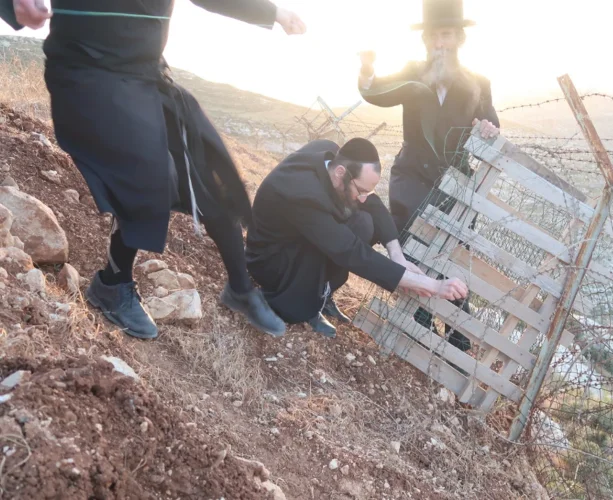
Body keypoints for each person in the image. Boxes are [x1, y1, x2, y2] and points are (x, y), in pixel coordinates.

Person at [1, 0, 306, 339]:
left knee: (207, 165)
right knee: (148, 175)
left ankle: (240, 288)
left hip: (145, 73)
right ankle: (113, 284)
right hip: (89, 72)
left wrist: (273, 13)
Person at [357, 0, 500, 352]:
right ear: (425, 40)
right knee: (413, 246)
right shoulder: (411, 72)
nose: (439, 43)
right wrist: (367, 69)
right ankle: (416, 325)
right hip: (412, 176)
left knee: (454, 252)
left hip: (456, 180)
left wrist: (487, 127)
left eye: (446, 35)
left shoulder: (479, 82)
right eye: (433, 36)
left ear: (459, 39)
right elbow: (376, 92)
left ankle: (457, 336)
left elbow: (492, 124)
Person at [245, 138, 468, 338]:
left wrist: (397, 256)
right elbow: (352, 252)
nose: (362, 197)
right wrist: (433, 285)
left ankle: (321, 294)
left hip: (297, 237)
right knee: (297, 307)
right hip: (272, 260)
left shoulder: (331, 156)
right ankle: (284, 300)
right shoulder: (303, 196)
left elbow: (372, 202)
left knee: (363, 223)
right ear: (341, 172)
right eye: (360, 189)